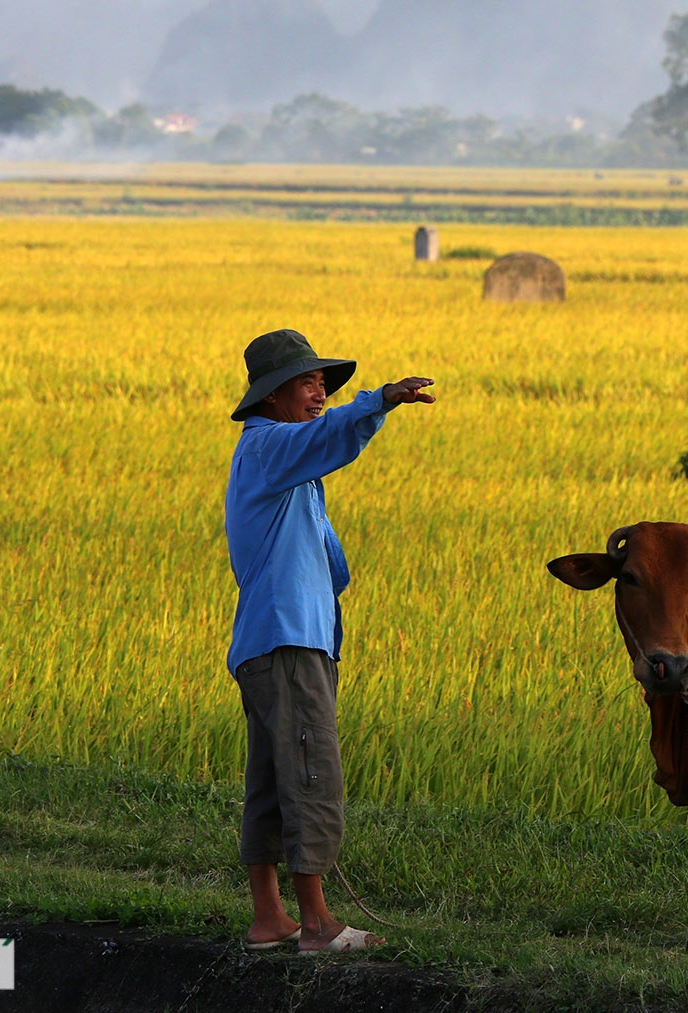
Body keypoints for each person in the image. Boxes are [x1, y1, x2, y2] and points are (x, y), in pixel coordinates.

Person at [223, 328, 434, 953]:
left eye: (323, 383)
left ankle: (270, 920)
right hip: (288, 645)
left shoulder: (286, 468)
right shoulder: (271, 450)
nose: (319, 393)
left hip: (270, 643)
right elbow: (325, 438)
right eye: (307, 383)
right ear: (271, 397)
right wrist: (379, 401)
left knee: (271, 777)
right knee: (312, 772)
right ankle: (316, 922)